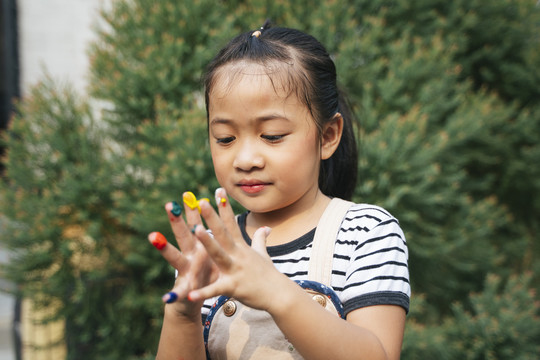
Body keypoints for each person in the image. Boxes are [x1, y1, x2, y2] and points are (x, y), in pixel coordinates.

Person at [148, 23, 410, 360]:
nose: (245, 159)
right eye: (225, 138)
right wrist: (182, 313)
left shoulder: (366, 233)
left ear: (328, 135)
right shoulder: (209, 251)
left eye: (272, 135)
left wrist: (275, 291)